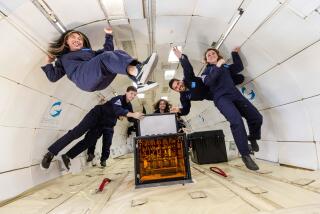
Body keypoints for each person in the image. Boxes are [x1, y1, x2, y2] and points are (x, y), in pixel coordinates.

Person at [41, 86, 144, 169]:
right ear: (126, 92)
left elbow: (130, 118)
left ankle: (67, 156)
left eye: (134, 95)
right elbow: (117, 110)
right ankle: (50, 153)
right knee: (77, 133)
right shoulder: (118, 99)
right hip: (96, 115)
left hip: (103, 124)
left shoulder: (128, 105)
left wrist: (138, 118)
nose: (132, 96)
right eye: (131, 94)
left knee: (88, 142)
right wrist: (132, 114)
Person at [200, 47, 263, 171]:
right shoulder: (205, 72)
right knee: (236, 121)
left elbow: (238, 67)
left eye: (213, 53)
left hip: (235, 95)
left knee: (256, 117)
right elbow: (209, 82)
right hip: (221, 99)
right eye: (208, 55)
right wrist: (217, 66)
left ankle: (253, 137)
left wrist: (234, 53)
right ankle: (245, 155)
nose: (211, 55)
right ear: (206, 60)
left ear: (218, 56)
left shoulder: (225, 67)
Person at [41, 27, 158, 93]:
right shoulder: (63, 58)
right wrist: (48, 62)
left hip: (100, 80)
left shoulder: (89, 52)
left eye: (79, 38)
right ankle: (138, 71)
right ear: (66, 41)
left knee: (118, 53)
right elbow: (53, 77)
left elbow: (108, 50)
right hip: (83, 78)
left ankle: (140, 81)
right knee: (106, 57)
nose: (77, 40)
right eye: (73, 37)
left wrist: (108, 35)